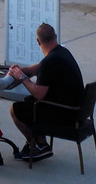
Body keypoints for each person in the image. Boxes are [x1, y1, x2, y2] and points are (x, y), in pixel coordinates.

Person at [7, 22, 83, 163]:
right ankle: (40, 142)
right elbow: (39, 67)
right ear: (55, 37)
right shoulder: (61, 52)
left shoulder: (50, 61)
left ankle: (39, 145)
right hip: (75, 109)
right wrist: (23, 70)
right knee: (28, 102)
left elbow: (39, 94)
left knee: (16, 110)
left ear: (37, 41)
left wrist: (22, 77)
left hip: (64, 113)